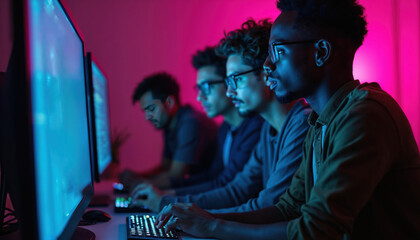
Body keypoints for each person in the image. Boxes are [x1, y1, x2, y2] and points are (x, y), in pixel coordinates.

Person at [154, 0, 420, 239]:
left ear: (321, 52)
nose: (267, 65)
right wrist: (206, 219)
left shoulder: (365, 114)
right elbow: (288, 208)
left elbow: (315, 230)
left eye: (277, 51)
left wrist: (213, 228)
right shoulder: (320, 121)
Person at [132, 19, 310, 213]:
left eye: (237, 79)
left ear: (267, 72)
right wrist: (178, 207)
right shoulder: (269, 129)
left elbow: (270, 207)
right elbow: (236, 190)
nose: (229, 92)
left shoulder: (301, 124)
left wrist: (199, 219)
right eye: (228, 81)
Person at [129, 46, 264, 210]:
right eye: (199, 89)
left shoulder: (255, 127)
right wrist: (169, 194)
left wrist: (167, 199)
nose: (200, 97)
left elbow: (232, 190)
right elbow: (214, 177)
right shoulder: (226, 129)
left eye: (207, 87)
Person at [120, 72, 218, 190]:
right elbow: (166, 167)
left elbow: (175, 176)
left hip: (210, 192)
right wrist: (138, 176)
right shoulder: (169, 124)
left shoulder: (190, 123)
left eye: (151, 109)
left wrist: (137, 183)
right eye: (145, 111)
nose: (147, 116)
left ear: (170, 102)